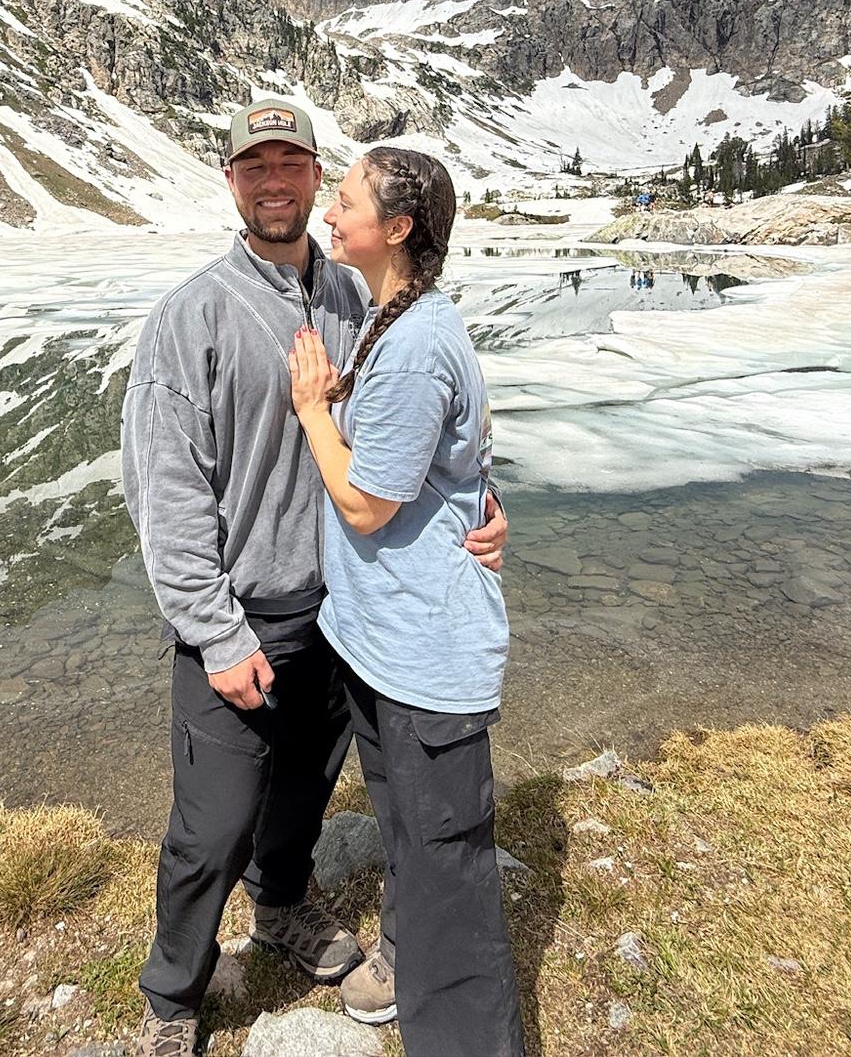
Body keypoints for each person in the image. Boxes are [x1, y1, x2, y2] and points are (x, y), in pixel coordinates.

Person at [121, 102, 509, 1057]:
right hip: (242, 614)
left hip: (339, 615)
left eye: (291, 164)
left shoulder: (358, 295)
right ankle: (173, 994)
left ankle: (281, 907)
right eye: (254, 166)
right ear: (231, 181)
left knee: (302, 790)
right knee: (212, 824)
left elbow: (420, 431)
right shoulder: (192, 315)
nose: (276, 183)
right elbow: (165, 490)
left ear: (311, 173)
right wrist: (215, 632)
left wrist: (482, 505)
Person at [288, 145, 525, 1057]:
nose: (329, 211)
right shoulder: (391, 318)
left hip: (426, 655)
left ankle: (461, 1037)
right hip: (383, 642)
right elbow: (453, 464)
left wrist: (314, 409)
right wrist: (480, 500)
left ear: (396, 228)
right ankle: (403, 959)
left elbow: (366, 502)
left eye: (345, 200)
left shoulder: (417, 343)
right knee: (409, 837)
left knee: (447, 868)